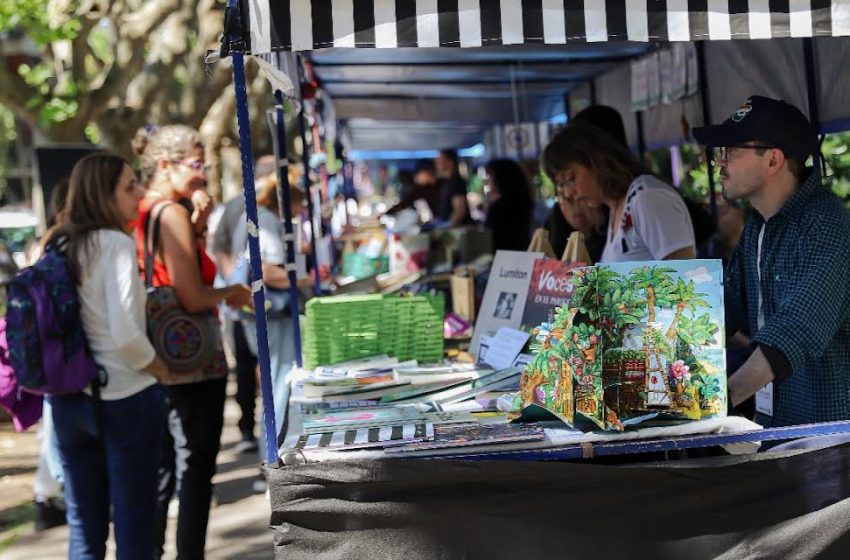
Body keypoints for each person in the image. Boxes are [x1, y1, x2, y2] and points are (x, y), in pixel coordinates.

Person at [693, 95, 850, 427]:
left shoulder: (827, 225)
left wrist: (717, 402)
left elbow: (796, 327)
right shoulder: (757, 227)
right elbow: (720, 309)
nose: (719, 163)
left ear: (773, 160)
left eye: (731, 151)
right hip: (777, 424)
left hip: (830, 437)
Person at [133, 125, 252, 559]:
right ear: (166, 165)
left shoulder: (143, 209)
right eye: (197, 165)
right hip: (192, 359)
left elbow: (165, 274)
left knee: (164, 466)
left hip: (155, 355)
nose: (203, 176)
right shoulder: (171, 212)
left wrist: (198, 228)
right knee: (196, 466)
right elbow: (192, 294)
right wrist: (232, 294)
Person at [44, 153, 170, 559]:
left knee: (84, 525)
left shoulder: (57, 242)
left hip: (68, 400)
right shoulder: (115, 243)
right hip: (125, 398)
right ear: (104, 193)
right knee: (134, 521)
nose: (139, 193)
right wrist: (160, 368)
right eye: (129, 186)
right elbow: (127, 336)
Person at [231, 174, 307, 491]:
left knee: (274, 383)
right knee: (277, 385)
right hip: (269, 315)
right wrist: (302, 280)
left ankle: (269, 458)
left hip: (253, 314)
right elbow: (269, 270)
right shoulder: (268, 220)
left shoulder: (250, 217)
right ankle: (270, 460)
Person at [542, 123, 696, 262]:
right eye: (562, 185)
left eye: (570, 178)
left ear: (596, 161)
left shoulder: (646, 199)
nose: (568, 193)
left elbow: (685, 281)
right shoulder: (617, 208)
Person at [211, 156, 278, 454]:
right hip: (247, 300)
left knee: (252, 365)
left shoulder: (245, 205)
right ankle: (249, 430)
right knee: (251, 364)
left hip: (248, 296)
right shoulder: (239, 205)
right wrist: (235, 284)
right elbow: (220, 248)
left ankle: (252, 430)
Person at [483, 159, 533, 252]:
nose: (487, 180)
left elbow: (490, 241)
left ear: (499, 178)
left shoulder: (497, 208)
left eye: (489, 175)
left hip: (502, 260)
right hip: (526, 255)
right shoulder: (526, 203)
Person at [435, 149, 473, 226]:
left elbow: (460, 211)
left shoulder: (456, 182)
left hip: (457, 230)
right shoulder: (446, 182)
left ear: (450, 162)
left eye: (440, 160)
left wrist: (447, 227)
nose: (437, 163)